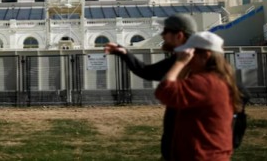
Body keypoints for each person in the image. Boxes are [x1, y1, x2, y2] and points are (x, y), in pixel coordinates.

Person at [104, 13, 197, 160]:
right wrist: (124, 53)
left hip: (188, 141)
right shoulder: (182, 57)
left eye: (165, 31)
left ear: (179, 35)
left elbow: (163, 89)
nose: (162, 36)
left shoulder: (193, 60)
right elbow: (147, 72)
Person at [155, 31, 243, 161]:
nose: (187, 58)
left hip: (201, 155)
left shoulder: (205, 83)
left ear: (205, 55)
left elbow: (164, 91)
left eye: (190, 54)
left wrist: (180, 63)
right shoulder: (218, 80)